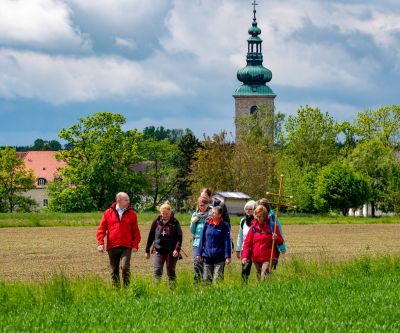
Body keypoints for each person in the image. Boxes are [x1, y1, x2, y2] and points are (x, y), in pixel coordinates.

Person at [96, 192, 141, 288]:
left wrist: (135, 245)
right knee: (114, 270)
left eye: (128, 200)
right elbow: (101, 229)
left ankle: (127, 289)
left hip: (126, 246)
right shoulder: (108, 213)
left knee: (125, 268)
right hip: (112, 246)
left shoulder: (132, 214)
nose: (128, 201)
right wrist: (100, 243)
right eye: (126, 200)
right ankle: (116, 291)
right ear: (118, 201)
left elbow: (136, 231)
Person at [145, 201, 182, 288]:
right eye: (163, 213)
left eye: (166, 213)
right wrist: (147, 250)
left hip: (171, 252)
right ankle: (156, 290)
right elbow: (150, 236)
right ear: (160, 213)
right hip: (158, 250)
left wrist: (177, 249)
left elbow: (179, 238)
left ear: (170, 213)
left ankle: (172, 290)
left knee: (171, 271)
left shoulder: (175, 222)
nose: (164, 215)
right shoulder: (156, 222)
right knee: (157, 270)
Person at [241, 205, 283, 281]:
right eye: (257, 216)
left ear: (265, 216)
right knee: (259, 276)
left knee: (265, 275)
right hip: (256, 257)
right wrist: (244, 256)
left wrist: (276, 238)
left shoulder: (273, 226)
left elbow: (280, 241)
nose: (258, 218)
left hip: (268, 257)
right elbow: (247, 243)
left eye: (260, 216)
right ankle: (262, 292)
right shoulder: (253, 227)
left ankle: (266, 290)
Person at [196, 206, 231, 284]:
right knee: (206, 280)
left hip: (219, 258)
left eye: (214, 212)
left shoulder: (225, 225)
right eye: (212, 212)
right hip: (207, 257)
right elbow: (202, 239)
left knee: (217, 281)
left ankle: (217, 296)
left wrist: (227, 256)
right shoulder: (207, 223)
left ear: (219, 215)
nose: (212, 213)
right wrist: (199, 253)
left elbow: (227, 241)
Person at [258, 198, 287, 268]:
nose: (263, 207)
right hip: (259, 247)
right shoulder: (257, 217)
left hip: (271, 246)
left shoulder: (273, 217)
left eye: (265, 205)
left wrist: (282, 248)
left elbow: (279, 232)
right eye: (262, 205)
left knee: (267, 268)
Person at [190, 196, 212, 284]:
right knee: (197, 264)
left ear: (207, 205)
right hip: (197, 243)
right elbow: (192, 231)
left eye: (204, 205)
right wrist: (193, 222)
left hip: (208, 243)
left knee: (206, 265)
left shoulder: (211, 215)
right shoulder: (195, 215)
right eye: (200, 205)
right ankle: (197, 285)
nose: (202, 207)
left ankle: (206, 284)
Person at [236, 200, 257, 282]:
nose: (248, 211)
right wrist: (238, 249)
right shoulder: (243, 221)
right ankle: (243, 285)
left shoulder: (257, 220)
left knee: (259, 268)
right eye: (246, 209)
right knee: (245, 269)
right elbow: (240, 235)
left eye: (250, 209)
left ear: (254, 209)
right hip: (246, 248)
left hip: (257, 248)